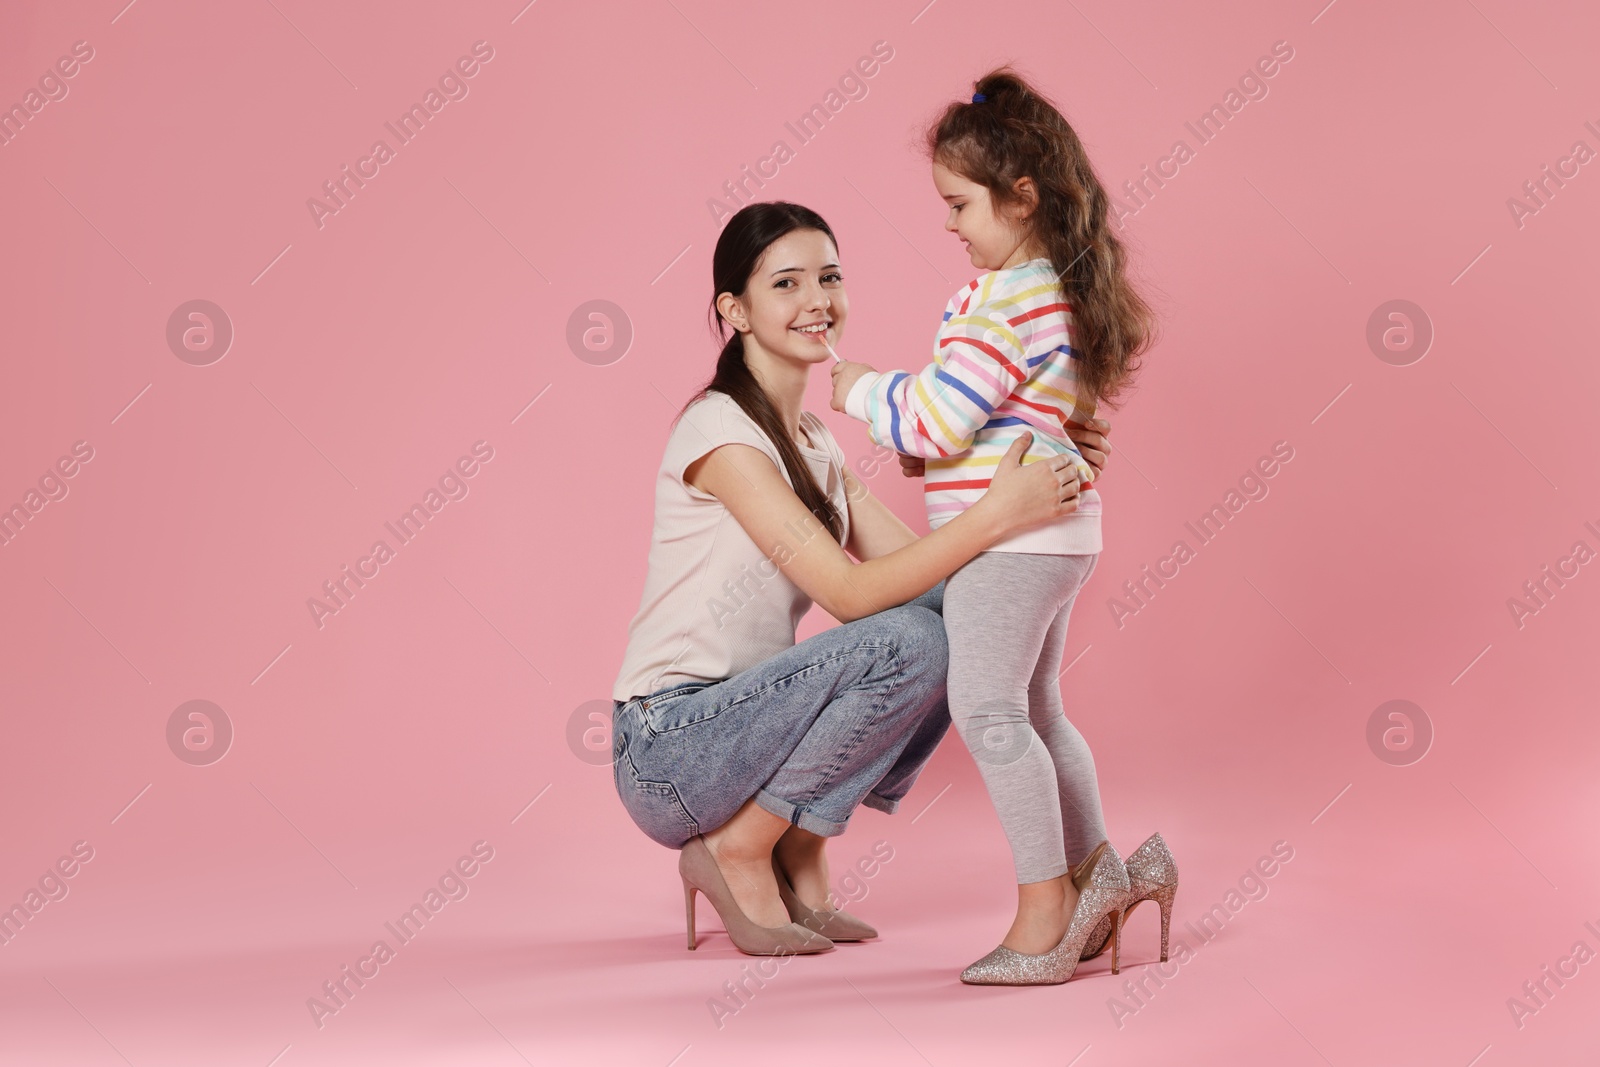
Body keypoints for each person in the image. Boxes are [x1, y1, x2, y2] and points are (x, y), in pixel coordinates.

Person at [609, 199, 1116, 957]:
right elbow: (850, 596)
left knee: (959, 622)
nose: (817, 300)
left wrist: (1037, 443)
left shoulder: (814, 441)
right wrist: (998, 513)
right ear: (734, 309)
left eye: (829, 277)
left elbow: (929, 576)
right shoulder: (719, 432)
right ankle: (743, 845)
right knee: (913, 639)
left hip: (745, 729)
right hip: (667, 746)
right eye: (786, 284)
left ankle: (794, 838)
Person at [829, 67, 1175, 985]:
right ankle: (1100, 870)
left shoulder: (999, 299)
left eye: (959, 205)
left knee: (989, 712)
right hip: (1060, 538)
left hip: (1008, 543)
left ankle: (1044, 911)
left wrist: (862, 389)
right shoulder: (1056, 293)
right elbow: (1000, 423)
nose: (949, 225)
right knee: (1037, 710)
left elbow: (939, 418)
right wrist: (935, 444)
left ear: (1021, 198)